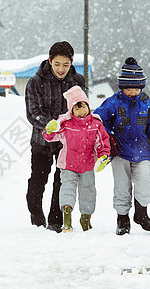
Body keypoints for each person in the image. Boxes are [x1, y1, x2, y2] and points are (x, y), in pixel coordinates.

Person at [94, 57, 150, 235]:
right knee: (121, 186)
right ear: (121, 87)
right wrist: (108, 138)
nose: (132, 92)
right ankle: (122, 218)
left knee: (145, 182)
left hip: (142, 151)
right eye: (128, 88)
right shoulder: (113, 102)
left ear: (141, 87)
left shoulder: (147, 105)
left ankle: (141, 213)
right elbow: (97, 120)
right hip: (119, 151)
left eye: (136, 88)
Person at [25, 41, 85, 233]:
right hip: (41, 140)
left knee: (62, 182)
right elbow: (32, 112)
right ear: (50, 61)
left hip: (66, 143)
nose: (61, 69)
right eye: (57, 64)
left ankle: (56, 220)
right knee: (38, 180)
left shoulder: (78, 81)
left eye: (66, 65)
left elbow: (81, 109)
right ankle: (36, 215)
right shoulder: (35, 81)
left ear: (71, 63)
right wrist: (52, 124)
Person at [42, 86, 110, 232]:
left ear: (88, 105)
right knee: (67, 188)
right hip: (68, 164)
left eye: (83, 106)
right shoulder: (65, 123)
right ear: (71, 110)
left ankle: (86, 218)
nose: (81, 111)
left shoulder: (96, 124)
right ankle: (67, 219)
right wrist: (49, 129)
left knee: (88, 190)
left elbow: (102, 141)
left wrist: (103, 154)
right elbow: (51, 136)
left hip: (88, 164)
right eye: (77, 108)